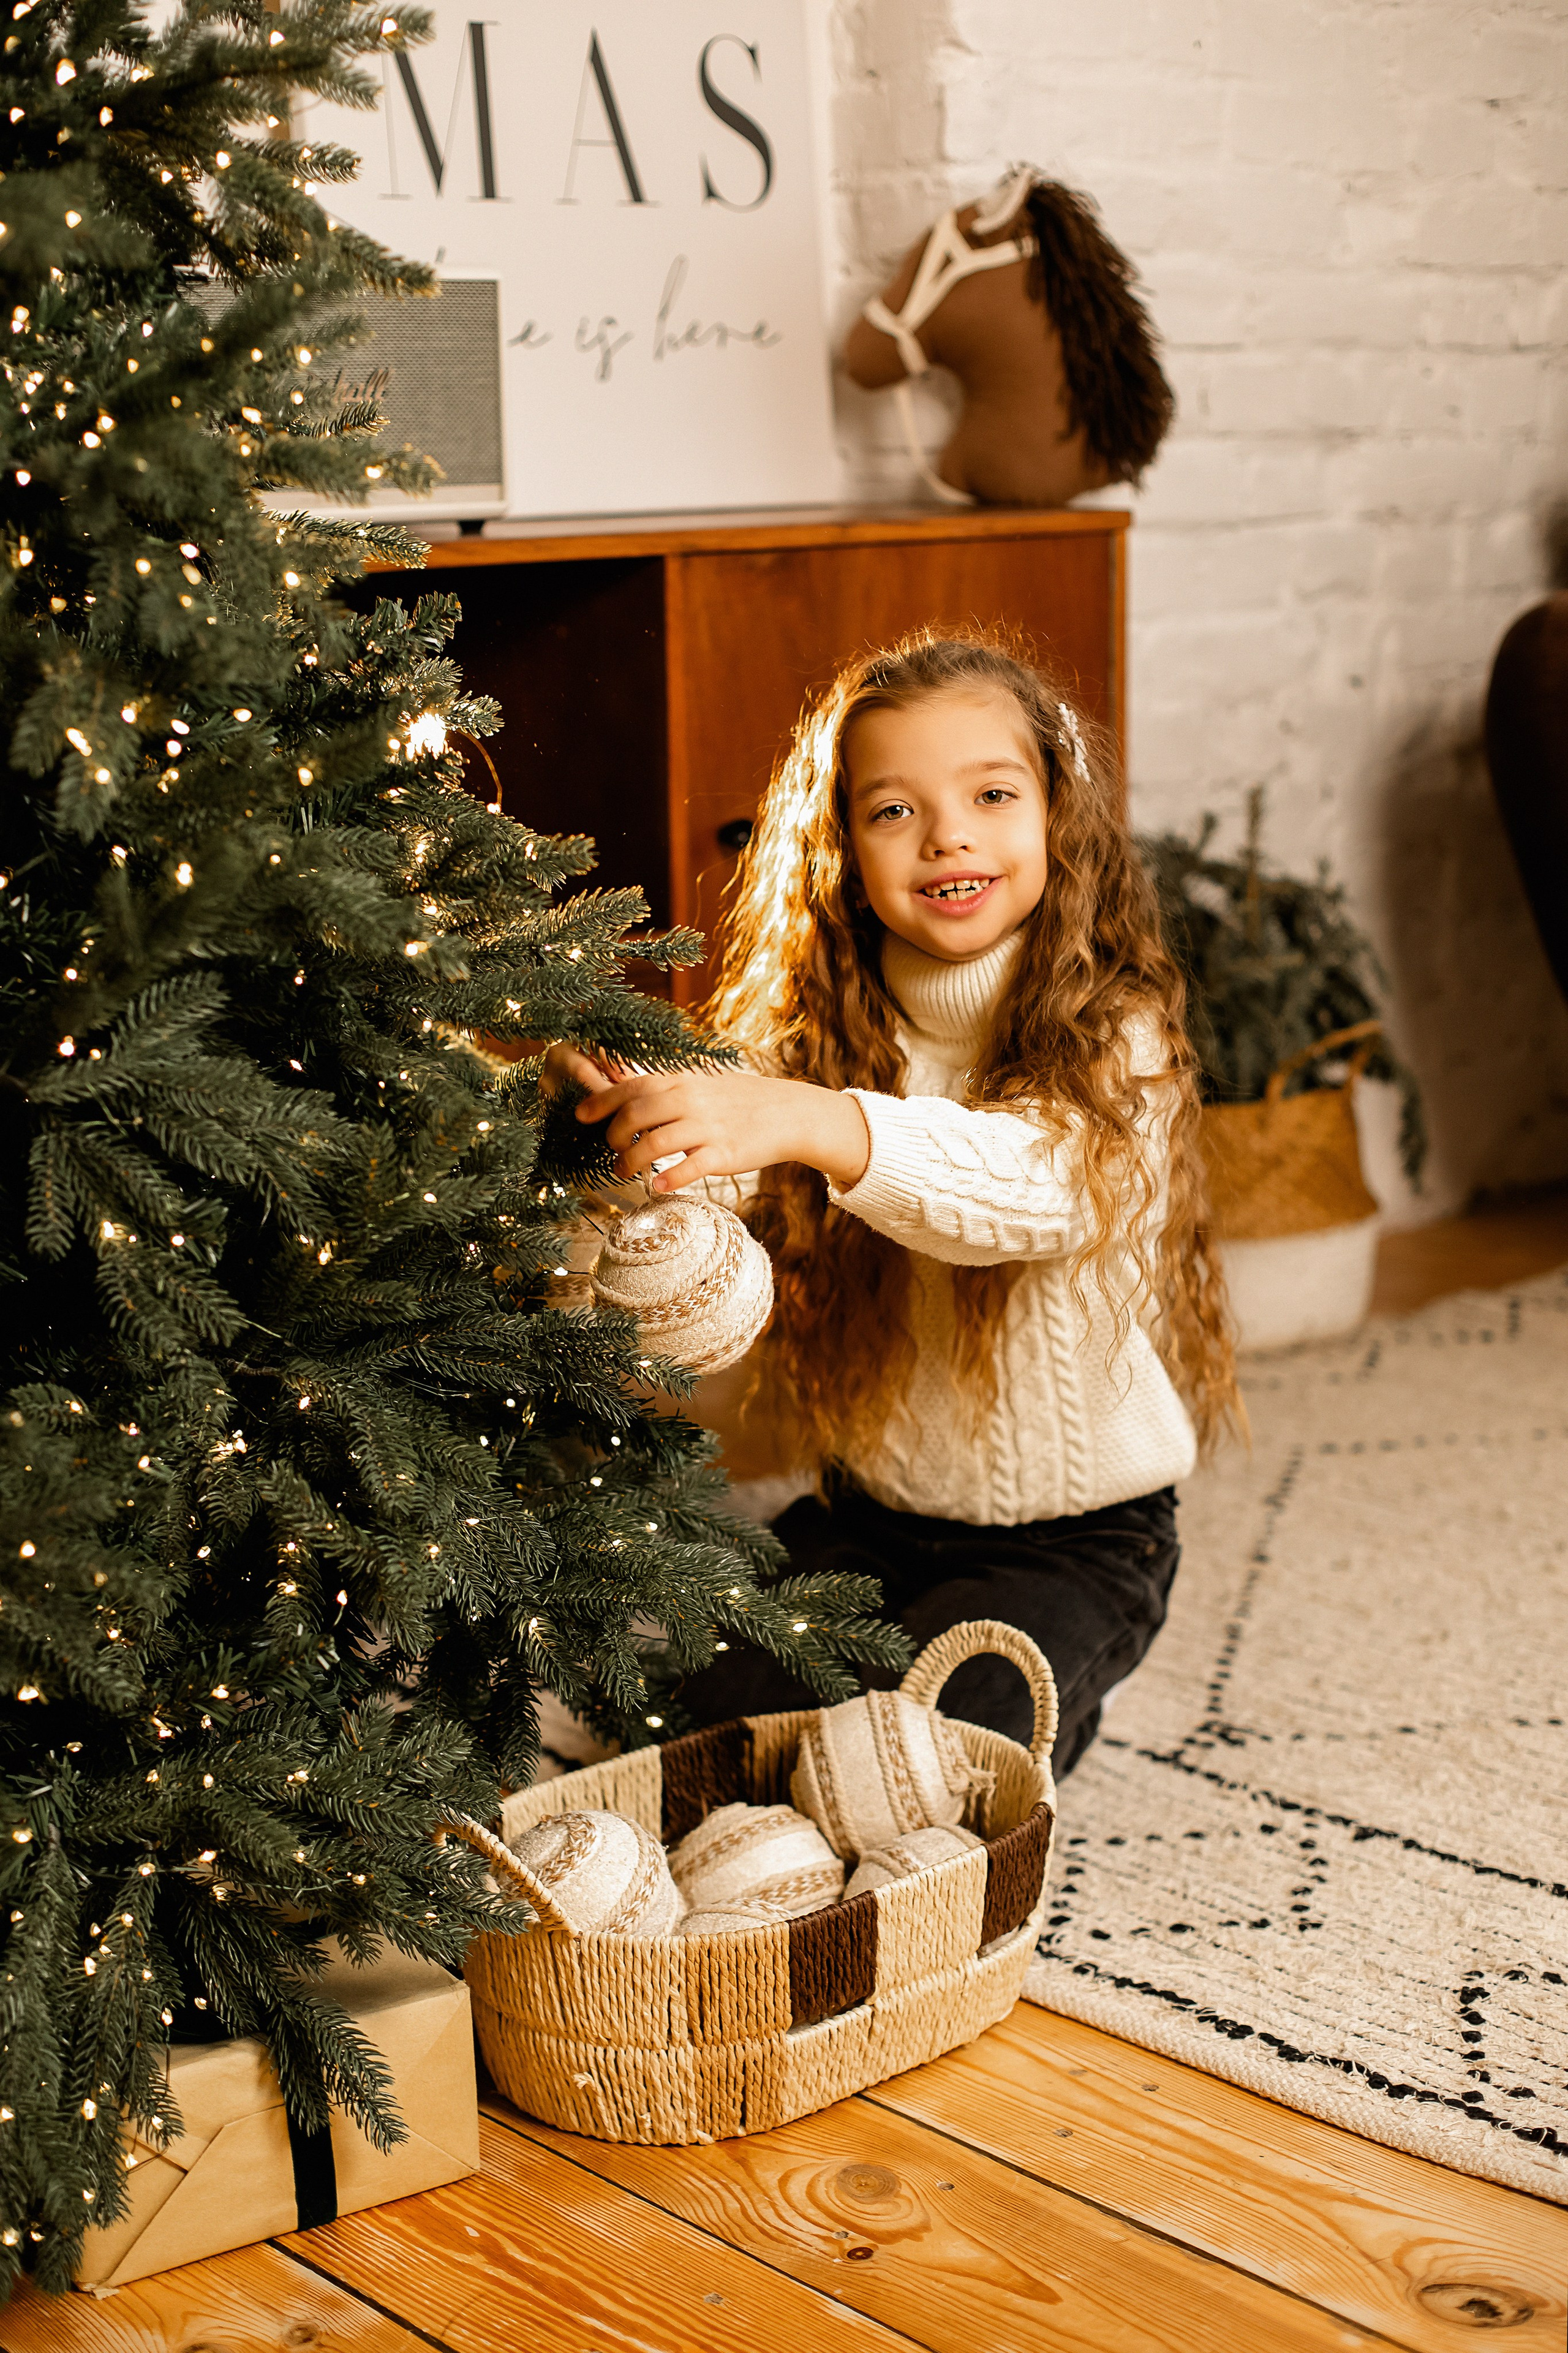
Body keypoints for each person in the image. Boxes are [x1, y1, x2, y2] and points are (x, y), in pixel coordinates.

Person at [551, 633, 1237, 1777]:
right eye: (893, 810)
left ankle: (1067, 1675)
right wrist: (626, 1122)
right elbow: (717, 1163)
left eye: (992, 794)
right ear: (842, 848)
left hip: (1076, 1543)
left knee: (918, 1772)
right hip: (866, 1521)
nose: (948, 835)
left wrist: (813, 1120)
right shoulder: (820, 1026)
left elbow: (1038, 1185)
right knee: (690, 1735)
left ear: (1057, 816)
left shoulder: (1118, 1031)